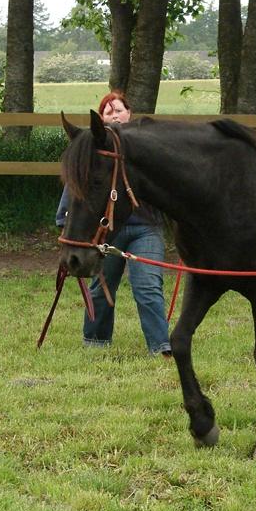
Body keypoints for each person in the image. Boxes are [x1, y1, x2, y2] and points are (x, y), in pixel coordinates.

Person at [56, 91, 171, 357]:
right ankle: (95, 342)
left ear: (129, 113)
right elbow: (78, 190)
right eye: (107, 112)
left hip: (145, 228)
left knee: (148, 286)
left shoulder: (145, 152)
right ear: (102, 120)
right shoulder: (96, 156)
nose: (114, 114)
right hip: (106, 232)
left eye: (118, 109)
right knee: (100, 286)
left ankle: (160, 346)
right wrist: (63, 221)